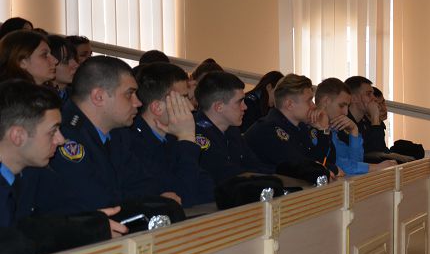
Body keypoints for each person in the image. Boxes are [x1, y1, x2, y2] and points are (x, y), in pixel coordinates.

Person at [29, 56, 179, 215]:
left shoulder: (118, 133)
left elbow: (148, 184)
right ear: (98, 97)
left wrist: (149, 199)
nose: (138, 103)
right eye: (129, 94)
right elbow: (97, 202)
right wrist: (151, 201)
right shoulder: (63, 135)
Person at [0, 81, 126, 254]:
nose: (61, 140)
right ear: (18, 136)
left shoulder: (21, 177)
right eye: (53, 132)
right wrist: (77, 229)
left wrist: (82, 223)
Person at [118, 63, 215, 207]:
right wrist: (187, 138)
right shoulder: (131, 143)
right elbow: (185, 198)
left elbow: (208, 190)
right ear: (157, 107)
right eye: (183, 98)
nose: (191, 107)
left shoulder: (172, 136)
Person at [244, 74, 334, 179]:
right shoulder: (267, 129)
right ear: (289, 104)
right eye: (309, 100)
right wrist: (327, 170)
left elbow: (317, 159)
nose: (314, 106)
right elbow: (299, 168)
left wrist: (323, 129)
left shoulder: (300, 127)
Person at [194, 71, 274, 184]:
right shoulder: (196, 135)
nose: (245, 107)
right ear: (219, 107)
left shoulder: (232, 130)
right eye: (239, 102)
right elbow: (224, 175)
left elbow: (254, 164)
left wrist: (275, 177)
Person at [314, 78, 395, 176]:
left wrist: (354, 131)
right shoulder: (313, 128)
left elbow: (355, 161)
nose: (345, 112)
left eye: (347, 106)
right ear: (326, 101)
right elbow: (338, 164)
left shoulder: (332, 129)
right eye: (341, 106)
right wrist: (376, 167)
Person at [344, 75, 389, 158]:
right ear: (353, 98)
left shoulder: (363, 122)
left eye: (372, 94)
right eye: (369, 94)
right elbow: (374, 153)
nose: (374, 98)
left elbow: (381, 150)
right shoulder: (343, 123)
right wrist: (375, 117)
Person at [47, 34, 80, 101]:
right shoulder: (39, 98)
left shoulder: (79, 97)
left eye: (75, 59)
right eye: (65, 61)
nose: (76, 65)